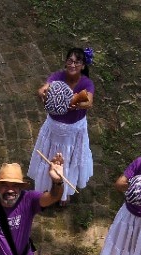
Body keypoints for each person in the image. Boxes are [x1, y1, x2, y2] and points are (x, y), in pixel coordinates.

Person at [27, 47, 94, 203]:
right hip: (54, 127)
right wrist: (43, 94)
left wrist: (75, 104)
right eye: (70, 61)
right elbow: (43, 89)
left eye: (77, 62)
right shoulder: (57, 77)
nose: (73, 65)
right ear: (65, 62)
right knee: (51, 157)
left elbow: (89, 102)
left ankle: (64, 192)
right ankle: (48, 187)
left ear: (83, 66)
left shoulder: (87, 83)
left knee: (68, 160)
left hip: (74, 131)